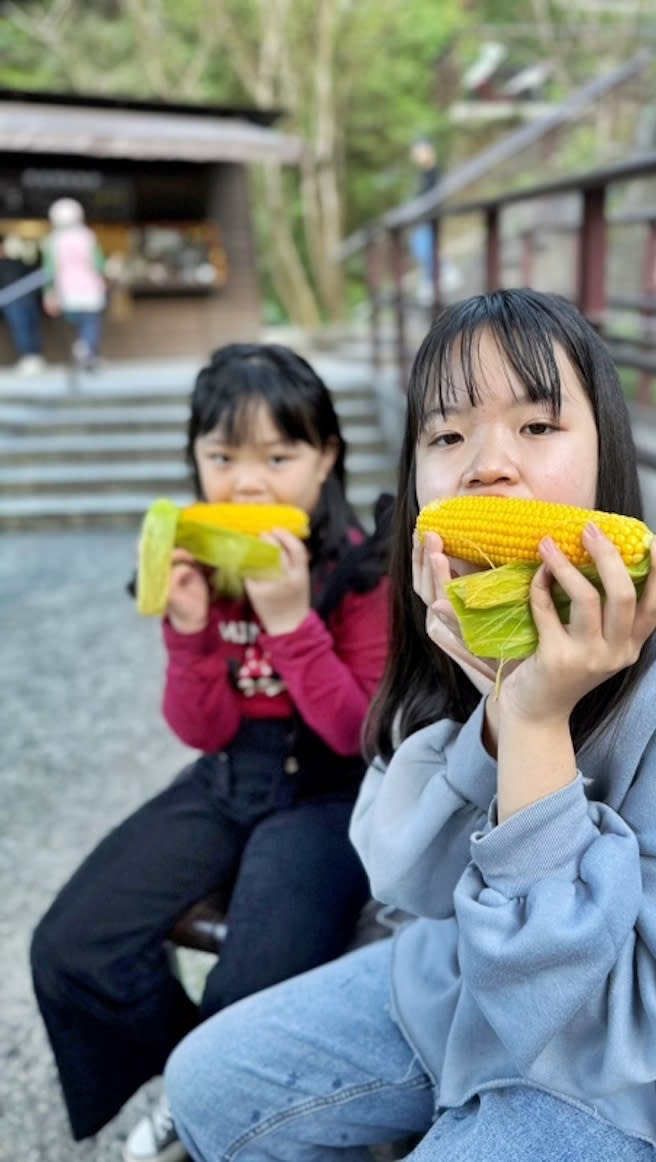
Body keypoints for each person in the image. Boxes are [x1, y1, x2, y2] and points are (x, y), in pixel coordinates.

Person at [163, 290, 656, 1162]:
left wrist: (535, 724)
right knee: (208, 1083)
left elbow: (610, 1029)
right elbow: (404, 877)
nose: (486, 466)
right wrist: (491, 714)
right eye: (446, 436)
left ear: (608, 449)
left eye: (537, 426)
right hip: (468, 989)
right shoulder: (463, 610)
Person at [30, 344, 392, 1162]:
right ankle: (192, 1085)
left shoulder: (362, 567)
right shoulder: (200, 563)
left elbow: (356, 733)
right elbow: (201, 728)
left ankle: (225, 1097)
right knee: (71, 947)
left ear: (326, 457)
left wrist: (295, 620)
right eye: (221, 457)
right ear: (194, 460)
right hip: (231, 772)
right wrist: (190, 633)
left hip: (331, 791)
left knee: (248, 989)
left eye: (278, 456)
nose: (248, 482)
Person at [41, 196, 107, 370]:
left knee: (77, 321)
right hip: (90, 287)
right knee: (91, 321)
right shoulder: (87, 237)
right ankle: (85, 348)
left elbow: (49, 270)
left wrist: (49, 292)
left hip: (66, 290)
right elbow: (99, 264)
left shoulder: (52, 241)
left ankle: (85, 349)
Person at [0, 233, 45, 374]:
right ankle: (32, 358)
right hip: (19, 301)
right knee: (24, 329)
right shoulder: (18, 262)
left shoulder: (16, 261)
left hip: (20, 301)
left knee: (25, 329)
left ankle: (32, 358)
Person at [409, 138, 440, 301]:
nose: (416, 156)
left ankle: (434, 280)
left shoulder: (433, 174)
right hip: (425, 220)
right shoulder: (424, 174)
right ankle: (430, 282)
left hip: (430, 219)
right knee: (421, 249)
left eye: (419, 152)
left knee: (425, 249)